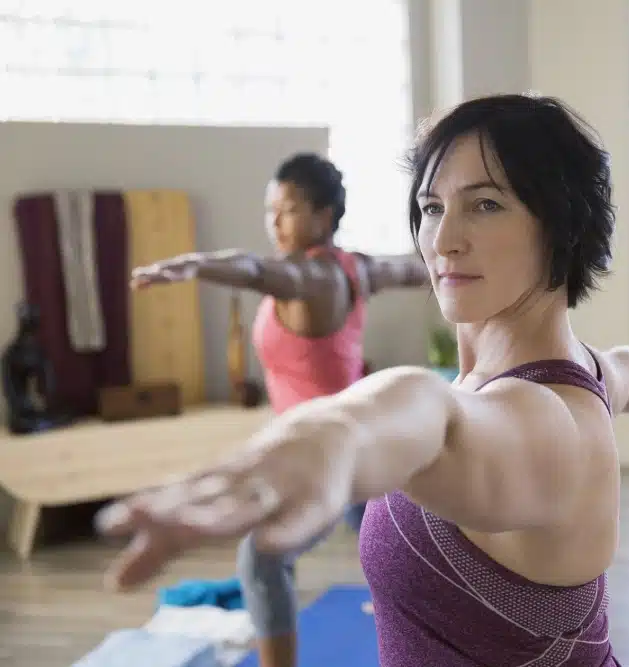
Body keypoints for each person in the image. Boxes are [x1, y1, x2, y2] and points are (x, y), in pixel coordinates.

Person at [97, 93, 629, 666]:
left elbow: (434, 417)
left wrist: (337, 432)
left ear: (563, 222)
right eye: (433, 206)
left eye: (486, 204)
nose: (442, 239)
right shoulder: (593, 370)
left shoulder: (545, 422)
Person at [130, 152, 428, 667]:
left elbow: (252, 269)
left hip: (329, 453)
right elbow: (409, 268)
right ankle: (421, 625)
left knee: (264, 558)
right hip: (353, 441)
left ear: (323, 214)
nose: (275, 222)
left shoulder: (310, 278)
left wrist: (194, 264)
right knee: (386, 551)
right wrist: (445, 267)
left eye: (288, 210)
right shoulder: (356, 268)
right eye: (271, 210)